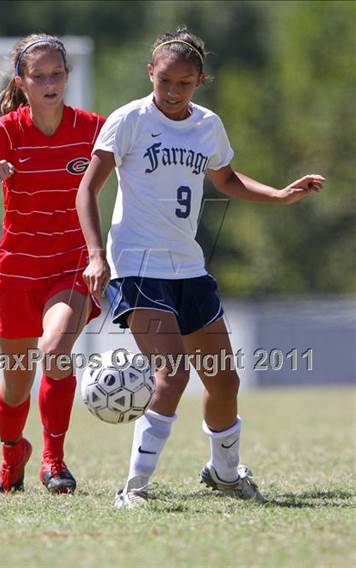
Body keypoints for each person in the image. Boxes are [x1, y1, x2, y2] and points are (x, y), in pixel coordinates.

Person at [76, 26, 325, 508]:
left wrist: (278, 194)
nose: (172, 91)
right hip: (138, 267)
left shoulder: (208, 125)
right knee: (172, 374)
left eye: (184, 83)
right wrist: (94, 255)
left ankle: (225, 472)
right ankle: (135, 488)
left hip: (189, 269)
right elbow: (87, 189)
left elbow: (226, 178)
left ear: (200, 81)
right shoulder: (128, 120)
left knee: (224, 379)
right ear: (151, 72)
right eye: (165, 80)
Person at [0, 34, 105, 494]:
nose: (50, 83)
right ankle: (12, 451)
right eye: (39, 76)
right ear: (23, 80)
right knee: (16, 385)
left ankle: (54, 461)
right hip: (16, 274)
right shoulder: (4, 133)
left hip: (69, 270)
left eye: (57, 74)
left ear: (68, 77)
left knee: (56, 354)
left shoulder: (93, 129)